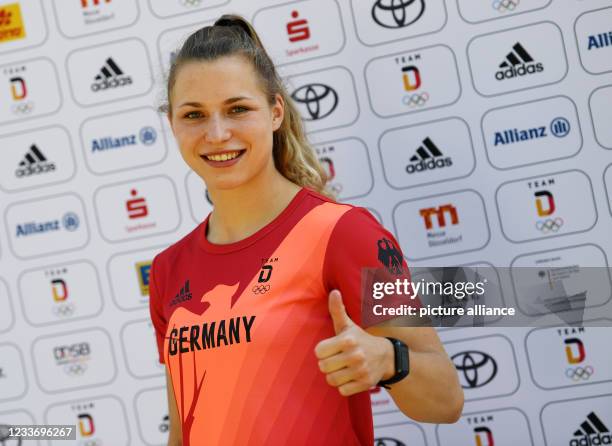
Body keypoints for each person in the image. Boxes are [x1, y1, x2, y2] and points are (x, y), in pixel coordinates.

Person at [148, 14, 463, 446]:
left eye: (238, 109)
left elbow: (446, 399)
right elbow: (184, 433)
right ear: (172, 124)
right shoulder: (169, 270)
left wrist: (389, 360)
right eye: (194, 114)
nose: (217, 133)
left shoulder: (342, 233)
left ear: (275, 111)